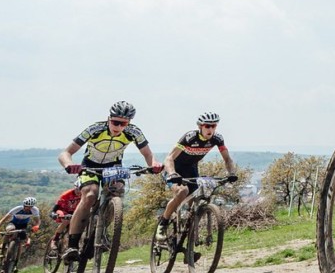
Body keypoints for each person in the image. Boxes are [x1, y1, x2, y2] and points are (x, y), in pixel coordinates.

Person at [57, 100, 161, 261]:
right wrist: (69, 165)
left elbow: (148, 154)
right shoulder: (95, 129)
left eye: (123, 124)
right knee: (90, 195)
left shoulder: (134, 132)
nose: (118, 127)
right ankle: (72, 245)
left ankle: (100, 232)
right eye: (115, 122)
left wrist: (153, 164)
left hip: (113, 167)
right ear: (108, 118)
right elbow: (65, 153)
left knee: (117, 191)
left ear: (129, 123)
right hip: (90, 166)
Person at [156, 112, 239, 241]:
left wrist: (231, 173)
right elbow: (169, 158)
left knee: (195, 198)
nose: (210, 129)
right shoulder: (190, 137)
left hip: (191, 169)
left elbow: (227, 159)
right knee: (182, 191)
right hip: (174, 168)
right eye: (207, 126)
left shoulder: (217, 139)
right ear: (200, 126)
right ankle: (163, 223)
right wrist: (172, 173)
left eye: (213, 126)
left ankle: (187, 233)